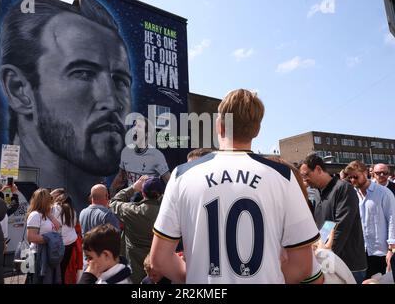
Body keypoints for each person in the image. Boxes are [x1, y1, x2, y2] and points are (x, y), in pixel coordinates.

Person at [151, 89, 319, 283]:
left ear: (219, 126)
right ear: (257, 130)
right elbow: (302, 266)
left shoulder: (182, 175)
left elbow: (159, 260)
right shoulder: (283, 176)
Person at [0, 0, 132, 212]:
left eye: (120, 80)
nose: (111, 101)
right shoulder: (2, 205)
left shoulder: (114, 207)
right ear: (19, 89)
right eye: (83, 73)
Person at [299, 154, 367, 283]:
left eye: (306, 175)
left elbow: (340, 227)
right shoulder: (319, 192)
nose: (305, 180)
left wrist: (322, 258)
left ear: (318, 169)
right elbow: (325, 226)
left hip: (348, 265)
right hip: (328, 260)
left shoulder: (343, 189)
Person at [344, 160, 395, 278]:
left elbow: (392, 219)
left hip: (381, 251)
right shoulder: (352, 194)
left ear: (366, 172)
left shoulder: (383, 193)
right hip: (361, 250)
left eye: (355, 177)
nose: (352, 180)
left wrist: (391, 249)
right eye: (350, 178)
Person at [110, 175, 164, 283]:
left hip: (134, 266)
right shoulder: (167, 214)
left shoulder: (132, 211)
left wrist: (133, 188)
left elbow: (113, 202)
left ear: (143, 193)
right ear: (161, 194)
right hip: (159, 267)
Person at [110, 117, 170, 197]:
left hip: (148, 204)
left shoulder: (156, 155)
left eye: (139, 126)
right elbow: (121, 177)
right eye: (134, 125)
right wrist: (111, 192)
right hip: (131, 205)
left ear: (147, 134)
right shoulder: (126, 151)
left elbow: (168, 181)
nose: (135, 128)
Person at [25, 188, 61, 284]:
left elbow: (58, 227)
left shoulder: (45, 214)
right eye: (49, 199)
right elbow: (31, 237)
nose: (51, 202)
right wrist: (51, 239)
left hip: (47, 253)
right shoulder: (35, 215)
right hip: (37, 255)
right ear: (44, 201)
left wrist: (50, 215)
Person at [50, 188, 79, 284]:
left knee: (52, 271)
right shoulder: (73, 211)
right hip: (69, 243)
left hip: (55, 244)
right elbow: (74, 225)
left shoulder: (54, 208)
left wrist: (51, 194)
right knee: (62, 269)